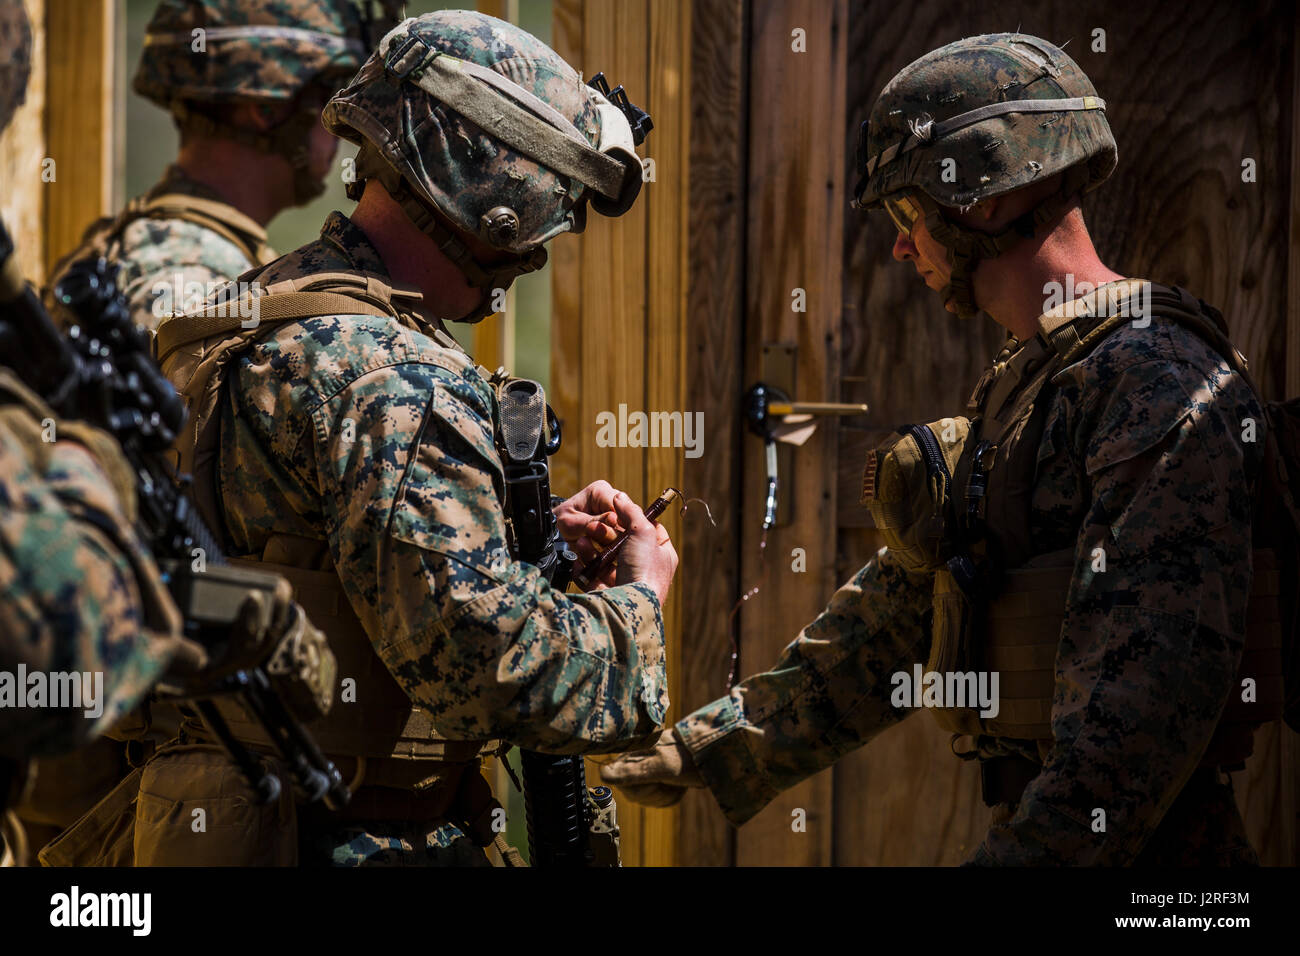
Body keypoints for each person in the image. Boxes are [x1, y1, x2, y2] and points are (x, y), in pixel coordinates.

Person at [603, 32, 1281, 866]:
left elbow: (1144, 718)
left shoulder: (1157, 382)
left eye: (907, 213)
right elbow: (906, 612)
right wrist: (714, 748)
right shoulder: (1033, 380)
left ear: (987, 197)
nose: (898, 245)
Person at [150, 10, 678, 866]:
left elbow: (325, 561)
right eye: (553, 204)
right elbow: (488, 668)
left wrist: (512, 549)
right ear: (498, 195)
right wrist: (636, 603)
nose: (543, 247)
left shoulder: (250, 313)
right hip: (348, 833)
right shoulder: (397, 378)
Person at [19, 0, 401, 859]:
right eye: (330, 98)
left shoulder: (138, 247)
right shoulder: (192, 278)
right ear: (270, 107)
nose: (340, 135)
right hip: (139, 781)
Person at [44, 0, 401, 333]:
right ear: (265, 109)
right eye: (330, 92)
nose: (340, 127)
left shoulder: (148, 241)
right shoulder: (195, 287)